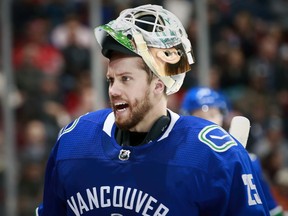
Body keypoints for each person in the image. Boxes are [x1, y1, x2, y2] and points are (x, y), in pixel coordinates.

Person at [36, 4, 269, 215]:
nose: (114, 90)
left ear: (159, 84)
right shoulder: (74, 140)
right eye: (111, 80)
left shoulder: (215, 155)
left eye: (126, 79)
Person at [181, 86, 284, 216]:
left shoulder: (248, 161)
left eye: (213, 114)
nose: (208, 121)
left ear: (222, 116)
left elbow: (272, 210)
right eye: (200, 116)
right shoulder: (178, 159)